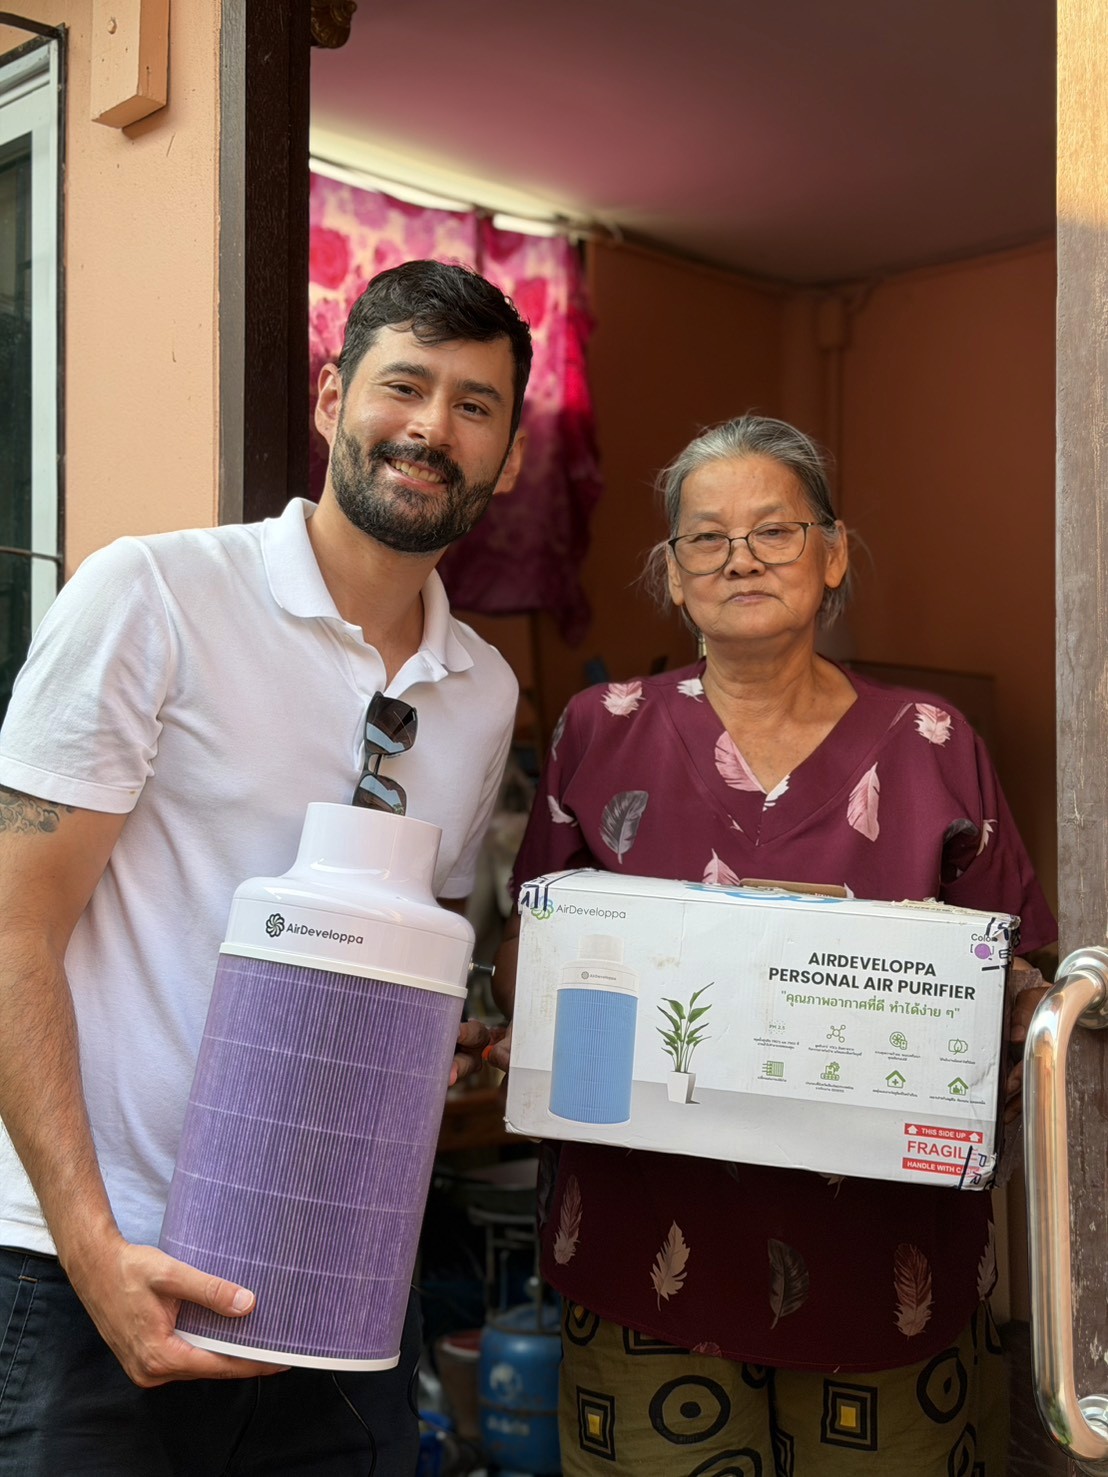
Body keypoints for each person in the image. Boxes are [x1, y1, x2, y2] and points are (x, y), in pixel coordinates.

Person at [0, 259, 532, 1475]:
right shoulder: (157, 593)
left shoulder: (483, 690)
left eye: (473, 404)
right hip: (104, 1266)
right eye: (404, 386)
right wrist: (92, 1249)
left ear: (507, 448)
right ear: (333, 395)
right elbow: (12, 927)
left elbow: (400, 945)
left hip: (338, 1285)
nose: (430, 428)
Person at [490, 415, 1054, 1477]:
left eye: (775, 530)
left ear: (833, 555)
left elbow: (1016, 969)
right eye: (705, 538)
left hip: (884, 1263)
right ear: (670, 574)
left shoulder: (932, 741)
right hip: (641, 1245)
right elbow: (532, 955)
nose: (740, 555)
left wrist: (998, 1018)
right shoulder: (597, 727)